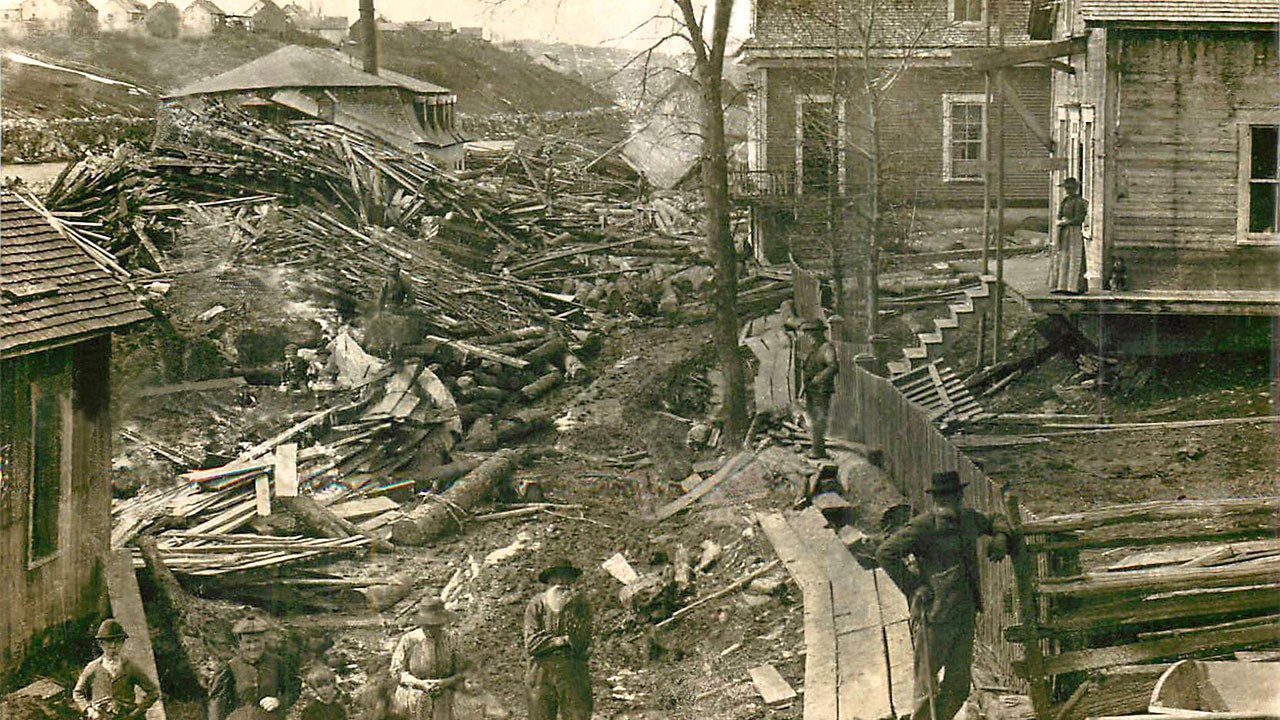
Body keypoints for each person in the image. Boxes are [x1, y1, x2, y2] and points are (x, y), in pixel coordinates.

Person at [876, 471, 1013, 720]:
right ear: (934, 500)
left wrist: (1001, 537)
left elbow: (996, 519)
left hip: (965, 614)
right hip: (935, 618)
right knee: (925, 688)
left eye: (951, 497)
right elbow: (886, 552)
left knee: (959, 687)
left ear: (960, 496)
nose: (947, 503)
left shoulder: (969, 520)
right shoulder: (923, 526)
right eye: (942, 498)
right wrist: (914, 586)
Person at [524, 558, 592, 720]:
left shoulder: (580, 604)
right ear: (549, 581)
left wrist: (570, 638)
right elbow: (532, 643)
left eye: (566, 577)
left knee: (577, 715)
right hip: (541, 672)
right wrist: (562, 641)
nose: (562, 582)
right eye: (557, 577)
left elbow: (583, 641)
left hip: (573, 671)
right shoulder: (536, 604)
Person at [208, 616, 299, 720]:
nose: (253, 647)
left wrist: (279, 701)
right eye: (248, 642)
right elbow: (217, 702)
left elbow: (293, 687)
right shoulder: (230, 667)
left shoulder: (277, 663)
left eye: (257, 641)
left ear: (264, 641)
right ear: (240, 643)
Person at [390, 598, 463, 720]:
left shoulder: (452, 639)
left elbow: (462, 671)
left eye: (436, 626)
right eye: (427, 626)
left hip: (444, 697)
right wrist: (420, 683)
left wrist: (445, 682)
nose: (431, 630)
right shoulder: (409, 640)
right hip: (413, 696)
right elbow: (396, 671)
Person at [72, 619, 160, 720]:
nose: (113, 646)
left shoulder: (130, 667)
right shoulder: (92, 668)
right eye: (108, 642)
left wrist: (137, 712)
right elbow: (77, 693)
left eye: (117, 641)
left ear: (123, 643)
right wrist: (89, 710)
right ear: (101, 644)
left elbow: (153, 691)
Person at [794, 316, 837, 460]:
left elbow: (833, 366)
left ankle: (818, 451)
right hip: (811, 390)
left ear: (820, 333)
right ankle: (817, 448)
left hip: (822, 390)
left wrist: (818, 378)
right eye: (809, 333)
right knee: (813, 419)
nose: (810, 336)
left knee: (819, 420)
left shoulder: (827, 348)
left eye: (813, 333)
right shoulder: (813, 349)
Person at [1051, 177, 1088, 294]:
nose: (1068, 191)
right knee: (1063, 256)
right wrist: (1060, 221)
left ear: (1076, 189)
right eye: (1067, 189)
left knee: (1074, 256)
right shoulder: (1065, 201)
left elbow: (1080, 218)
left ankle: (1074, 287)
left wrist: (1069, 222)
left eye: (1071, 189)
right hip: (1064, 231)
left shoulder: (1080, 202)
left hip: (1074, 231)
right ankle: (1062, 286)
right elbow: (1059, 214)